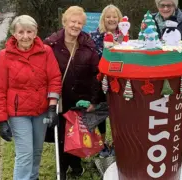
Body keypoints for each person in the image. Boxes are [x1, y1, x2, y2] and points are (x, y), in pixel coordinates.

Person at [0, 15, 62, 180]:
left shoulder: (46, 52)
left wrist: (52, 107)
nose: (25, 36)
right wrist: (1, 121)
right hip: (18, 113)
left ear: (36, 32)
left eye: (29, 31)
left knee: (36, 151)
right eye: (21, 32)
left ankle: (33, 177)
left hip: (41, 110)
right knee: (25, 154)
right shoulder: (5, 55)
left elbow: (54, 79)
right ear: (14, 34)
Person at [44, 6, 101, 179]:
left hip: (79, 100)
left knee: (76, 134)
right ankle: (62, 168)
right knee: (61, 136)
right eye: (73, 21)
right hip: (60, 99)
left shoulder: (88, 46)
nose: (76, 25)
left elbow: (95, 76)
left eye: (79, 23)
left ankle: (76, 166)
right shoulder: (51, 45)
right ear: (64, 22)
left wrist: (93, 100)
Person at [90, 4, 123, 158]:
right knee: (101, 114)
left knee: (118, 114)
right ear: (103, 19)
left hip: (121, 82)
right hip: (100, 81)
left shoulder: (124, 35)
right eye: (108, 16)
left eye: (114, 16)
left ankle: (118, 143)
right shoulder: (95, 35)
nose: (111, 19)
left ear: (119, 18)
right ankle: (102, 144)